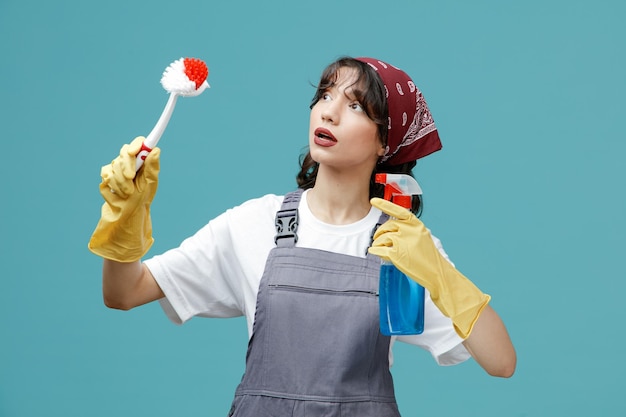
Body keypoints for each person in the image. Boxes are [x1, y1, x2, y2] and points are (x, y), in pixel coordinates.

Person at [89, 56, 516, 416]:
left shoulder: (402, 246)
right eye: (324, 96)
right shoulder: (254, 223)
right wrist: (126, 221)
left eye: (356, 107)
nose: (328, 112)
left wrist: (439, 274)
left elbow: (501, 362)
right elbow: (125, 293)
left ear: (386, 141)